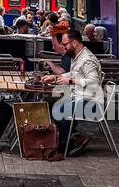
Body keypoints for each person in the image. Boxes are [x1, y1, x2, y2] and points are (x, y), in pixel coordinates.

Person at [41, 27, 105, 156]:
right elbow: (72, 73)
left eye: (65, 44)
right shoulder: (78, 56)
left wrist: (70, 82)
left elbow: (93, 82)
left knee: (58, 110)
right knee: (48, 102)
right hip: (80, 98)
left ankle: (69, 143)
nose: (63, 48)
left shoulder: (87, 60)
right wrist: (55, 77)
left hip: (91, 103)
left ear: (74, 43)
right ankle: (72, 137)